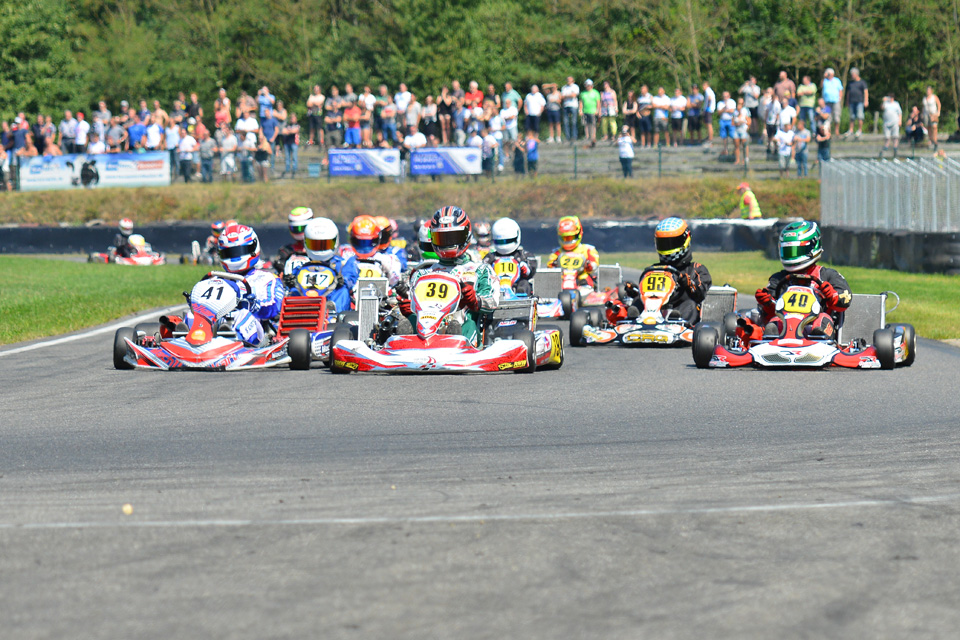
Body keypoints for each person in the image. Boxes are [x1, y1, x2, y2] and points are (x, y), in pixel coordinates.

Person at [739, 220, 851, 343]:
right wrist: (767, 304)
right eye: (788, 251)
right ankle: (770, 352)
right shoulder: (778, 279)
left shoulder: (828, 275)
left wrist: (832, 297)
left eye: (796, 251)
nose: (792, 256)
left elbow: (845, 299)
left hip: (816, 322)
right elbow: (768, 314)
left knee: (821, 322)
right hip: (786, 325)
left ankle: (819, 346)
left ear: (812, 247)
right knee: (773, 324)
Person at [402, 206, 499, 346]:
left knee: (465, 324)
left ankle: (457, 345)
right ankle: (402, 347)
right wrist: (407, 306)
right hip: (425, 326)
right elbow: (410, 303)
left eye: (453, 237)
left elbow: (493, 302)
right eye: (442, 238)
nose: (447, 243)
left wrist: (475, 300)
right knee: (406, 322)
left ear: (466, 236)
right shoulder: (423, 272)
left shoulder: (480, 270)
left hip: (462, 325)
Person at [612, 217, 712, 325]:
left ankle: (677, 322)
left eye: (673, 243)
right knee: (637, 301)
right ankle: (634, 322)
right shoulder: (652, 270)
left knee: (690, 305)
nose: (668, 248)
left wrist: (688, 284)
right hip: (654, 311)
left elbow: (701, 295)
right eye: (664, 244)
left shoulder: (696, 269)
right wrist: (635, 291)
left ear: (686, 240)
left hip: (681, 311)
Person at [197, 225, 285, 346]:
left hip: (254, 328)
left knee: (240, 314)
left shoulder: (267, 278)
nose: (235, 257)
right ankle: (186, 337)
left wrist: (255, 305)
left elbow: (273, 308)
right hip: (216, 321)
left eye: (239, 251)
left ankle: (229, 336)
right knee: (193, 315)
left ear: (253, 248)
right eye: (229, 253)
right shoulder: (216, 279)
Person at [285, 217, 359, 314]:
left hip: (331, 300)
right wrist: (290, 279)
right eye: (315, 245)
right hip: (305, 299)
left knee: (342, 291)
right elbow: (293, 275)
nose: (320, 249)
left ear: (335, 242)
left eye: (325, 245)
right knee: (293, 290)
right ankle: (293, 316)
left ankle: (334, 315)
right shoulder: (301, 264)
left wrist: (343, 280)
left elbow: (351, 276)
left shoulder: (343, 263)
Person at [483, 217, 536, 295]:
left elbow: (531, 270)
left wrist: (526, 269)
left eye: (508, 241)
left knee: (524, 284)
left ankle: (522, 299)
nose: (504, 244)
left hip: (516, 285)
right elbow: (482, 270)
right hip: (495, 287)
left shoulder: (523, 255)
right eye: (500, 241)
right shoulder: (491, 256)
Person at [349, 215, 403, 287]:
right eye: (360, 242)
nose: (365, 248)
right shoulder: (349, 259)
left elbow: (395, 281)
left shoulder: (389, 259)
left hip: (380, 295)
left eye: (369, 242)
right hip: (354, 295)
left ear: (376, 240)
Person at [547, 215, 599, 286]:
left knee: (586, 280)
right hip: (561, 280)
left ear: (578, 234)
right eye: (565, 238)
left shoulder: (588, 249)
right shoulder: (557, 252)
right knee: (552, 282)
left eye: (571, 237)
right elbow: (549, 267)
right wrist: (554, 264)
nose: (568, 240)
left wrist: (588, 265)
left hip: (581, 279)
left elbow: (594, 266)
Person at [274, 207, 314, 273]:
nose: (299, 231)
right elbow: (279, 268)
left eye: (302, 228)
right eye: (296, 229)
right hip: (292, 280)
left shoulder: (319, 249)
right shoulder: (286, 251)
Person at [843, 68, 869, 139]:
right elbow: (848, 93)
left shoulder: (862, 82)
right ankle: (851, 130)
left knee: (860, 116)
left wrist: (866, 101)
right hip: (851, 102)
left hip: (859, 102)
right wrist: (847, 101)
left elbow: (866, 92)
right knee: (852, 117)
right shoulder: (850, 83)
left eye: (853, 74)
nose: (852, 76)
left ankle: (859, 130)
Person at [821, 68, 844, 137]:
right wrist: (824, 77)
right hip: (827, 102)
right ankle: (829, 132)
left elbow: (840, 90)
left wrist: (840, 98)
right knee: (828, 117)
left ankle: (837, 131)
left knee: (836, 116)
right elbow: (821, 86)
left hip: (835, 101)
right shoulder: (824, 81)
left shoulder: (837, 80)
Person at [579, 79, 601, 147]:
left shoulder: (596, 93)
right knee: (586, 124)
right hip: (585, 111)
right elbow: (581, 102)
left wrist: (598, 110)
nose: (588, 86)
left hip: (593, 111)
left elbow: (598, 102)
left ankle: (593, 137)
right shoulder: (583, 93)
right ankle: (587, 136)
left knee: (593, 124)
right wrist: (580, 110)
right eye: (587, 85)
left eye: (589, 85)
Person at [880, 93, 902, 158]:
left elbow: (900, 113)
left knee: (895, 136)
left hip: (894, 122)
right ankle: (886, 146)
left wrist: (900, 121)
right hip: (887, 123)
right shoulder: (886, 103)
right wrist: (883, 101)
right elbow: (882, 108)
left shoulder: (896, 104)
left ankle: (895, 147)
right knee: (887, 136)